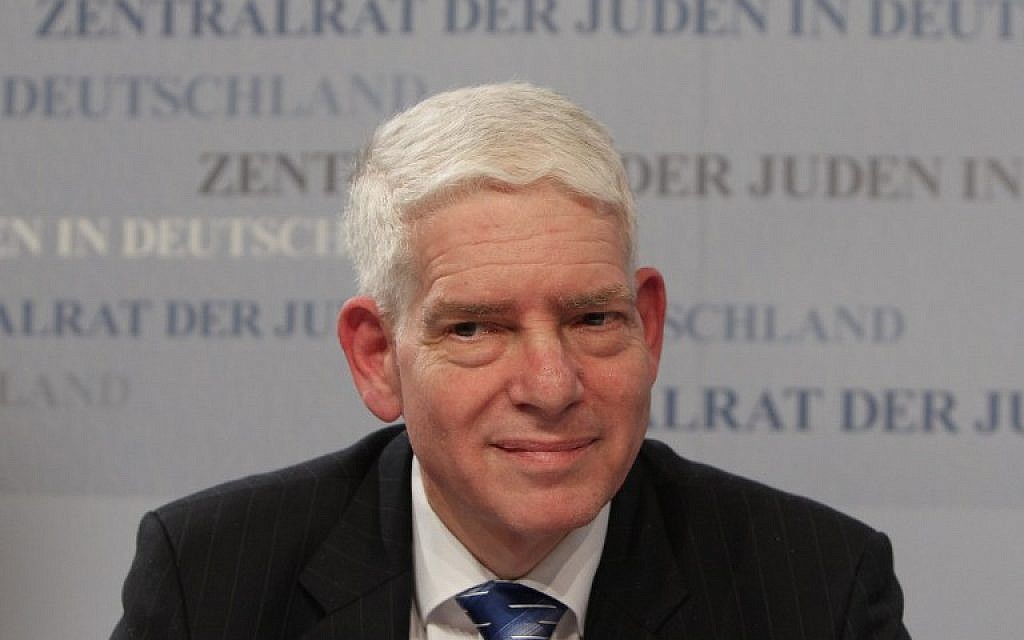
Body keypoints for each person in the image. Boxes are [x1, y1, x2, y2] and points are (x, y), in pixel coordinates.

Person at [112, 83, 910, 639]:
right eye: (475, 330)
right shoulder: (212, 579)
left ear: (649, 326)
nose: (551, 386)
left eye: (594, 318)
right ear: (377, 356)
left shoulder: (817, 591)